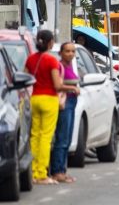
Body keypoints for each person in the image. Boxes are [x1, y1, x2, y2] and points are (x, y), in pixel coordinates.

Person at [25, 30, 79, 185]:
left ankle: (33, 172)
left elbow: (26, 79)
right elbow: (57, 85)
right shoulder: (51, 61)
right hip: (49, 100)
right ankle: (41, 174)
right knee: (45, 138)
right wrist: (72, 88)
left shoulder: (30, 59)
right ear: (50, 43)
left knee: (35, 136)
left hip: (34, 98)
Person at [49, 42, 79, 183]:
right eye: (67, 51)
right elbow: (58, 85)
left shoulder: (70, 66)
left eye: (73, 51)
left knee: (67, 138)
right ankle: (57, 171)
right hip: (64, 103)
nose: (70, 54)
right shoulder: (59, 66)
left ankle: (63, 170)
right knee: (61, 138)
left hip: (72, 102)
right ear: (61, 53)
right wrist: (72, 88)